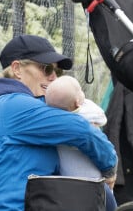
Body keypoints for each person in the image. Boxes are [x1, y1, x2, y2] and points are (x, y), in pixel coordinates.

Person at [0, 34, 118, 211]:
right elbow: (82, 131)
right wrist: (110, 167)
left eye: (57, 72)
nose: (53, 78)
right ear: (17, 69)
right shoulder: (15, 105)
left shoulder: (5, 107)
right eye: (46, 68)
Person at [46, 75, 117, 211]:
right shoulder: (88, 115)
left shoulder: (51, 121)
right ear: (78, 102)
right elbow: (101, 121)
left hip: (66, 184)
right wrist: (110, 172)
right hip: (94, 183)